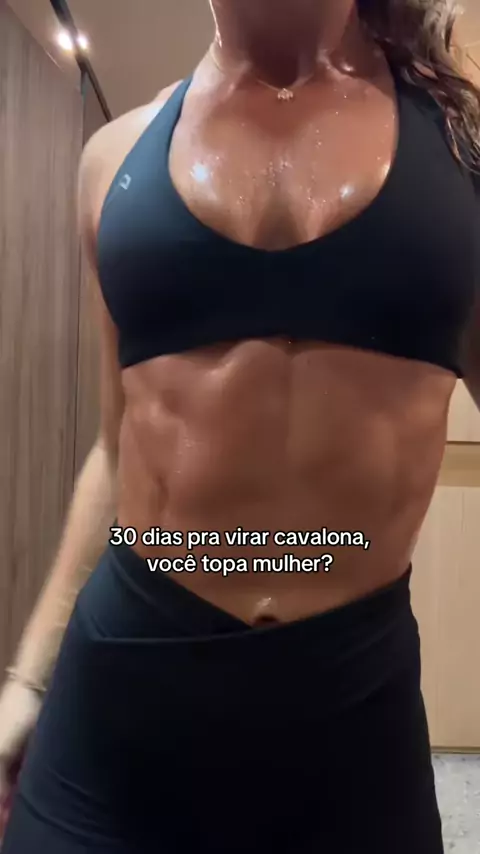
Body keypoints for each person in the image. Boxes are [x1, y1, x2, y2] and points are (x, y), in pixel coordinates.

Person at [0, 0, 479, 851]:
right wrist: (28, 681)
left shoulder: (460, 154)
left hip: (351, 719)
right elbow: (117, 448)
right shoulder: (113, 158)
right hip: (122, 700)